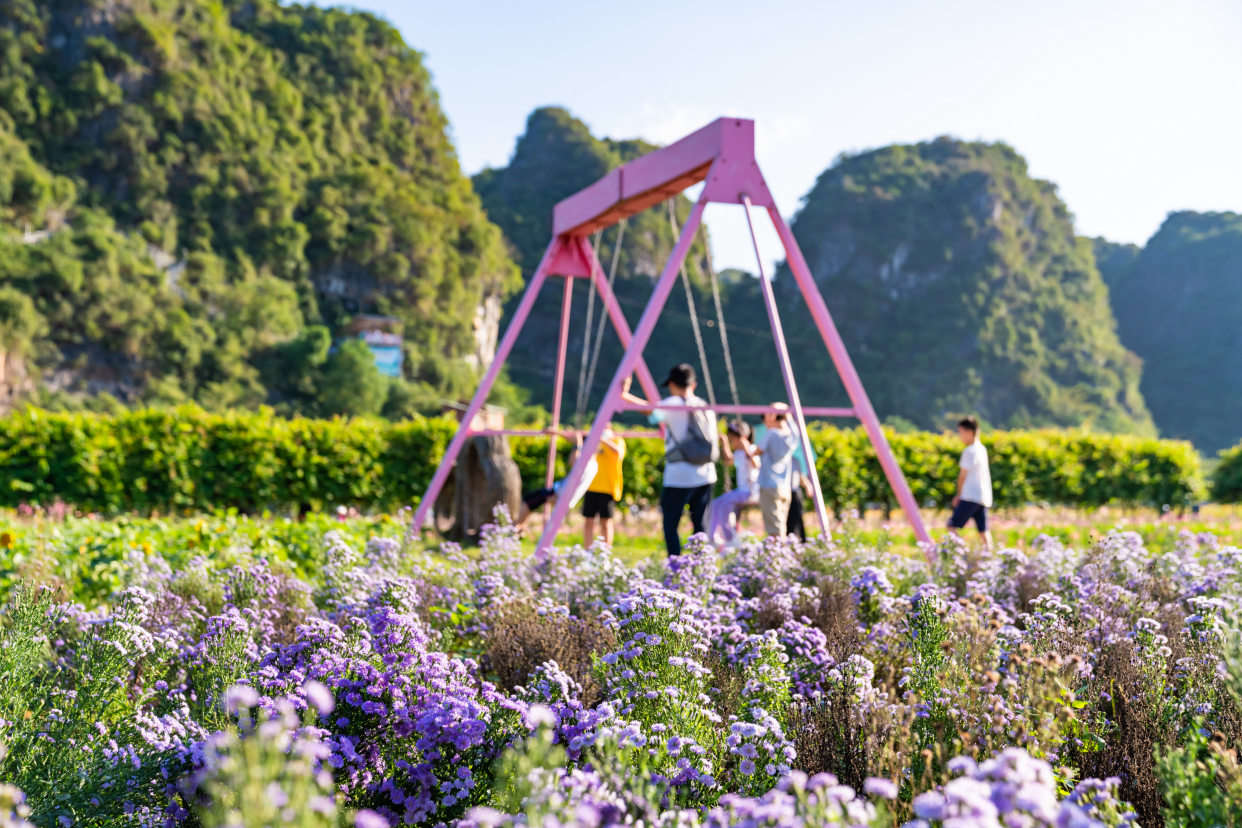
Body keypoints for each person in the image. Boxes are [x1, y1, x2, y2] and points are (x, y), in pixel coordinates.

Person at [620, 363, 718, 555]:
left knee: (671, 524)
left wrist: (624, 395)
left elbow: (652, 413)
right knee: (700, 525)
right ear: (694, 384)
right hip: (707, 473)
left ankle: (675, 566)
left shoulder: (673, 403)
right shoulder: (704, 405)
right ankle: (702, 568)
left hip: (679, 475)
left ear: (672, 384)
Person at [515, 429, 597, 535]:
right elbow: (572, 441)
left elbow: (573, 461)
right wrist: (556, 432)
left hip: (560, 493)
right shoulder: (593, 461)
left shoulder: (587, 461)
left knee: (528, 501)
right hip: (560, 492)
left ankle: (516, 528)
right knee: (530, 501)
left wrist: (577, 444)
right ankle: (519, 527)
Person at [707, 420, 760, 546]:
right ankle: (713, 537)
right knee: (715, 504)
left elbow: (756, 464)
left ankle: (730, 538)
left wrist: (746, 448)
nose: (733, 443)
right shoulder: (739, 453)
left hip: (750, 492)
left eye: (733, 440)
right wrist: (724, 442)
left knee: (724, 504)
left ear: (742, 437)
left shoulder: (751, 449)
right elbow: (728, 461)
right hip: (741, 491)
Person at [949, 415, 993, 550]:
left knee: (951, 526)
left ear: (969, 432)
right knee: (983, 531)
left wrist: (958, 494)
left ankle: (959, 555)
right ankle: (989, 558)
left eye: (960, 433)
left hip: (970, 496)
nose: (960, 436)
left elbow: (962, 476)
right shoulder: (982, 449)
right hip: (983, 497)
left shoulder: (969, 451)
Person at [754, 404, 799, 537]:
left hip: (769, 486)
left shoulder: (772, 434)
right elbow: (795, 429)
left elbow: (757, 451)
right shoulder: (792, 437)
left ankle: (777, 556)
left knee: (774, 529)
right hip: (785, 487)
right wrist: (786, 413)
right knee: (781, 526)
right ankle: (781, 554)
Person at [582, 424, 626, 546]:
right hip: (590, 486)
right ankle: (588, 551)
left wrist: (603, 439)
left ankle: (605, 552)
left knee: (605, 522)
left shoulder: (617, 441)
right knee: (588, 521)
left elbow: (619, 452)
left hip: (608, 488)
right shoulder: (593, 442)